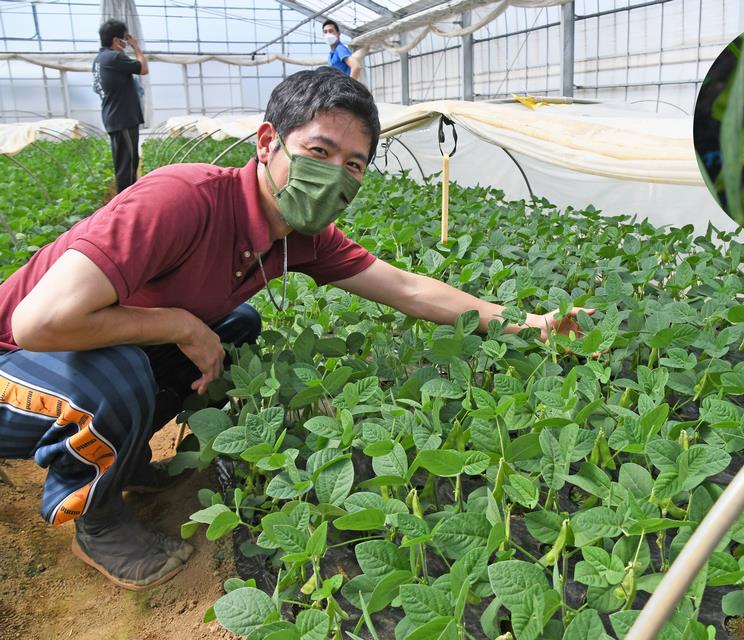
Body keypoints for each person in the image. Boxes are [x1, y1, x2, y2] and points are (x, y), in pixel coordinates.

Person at [0, 68, 590, 590]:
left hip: (66, 355)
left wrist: (529, 324)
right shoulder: (182, 199)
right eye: (319, 151)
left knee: (235, 326)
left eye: (353, 165)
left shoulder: (300, 237)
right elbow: (38, 323)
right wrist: (181, 323)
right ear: (267, 142)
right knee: (130, 368)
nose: (335, 176)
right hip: (13, 366)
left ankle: (120, 461)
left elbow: (409, 289)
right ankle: (95, 519)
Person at [93, 19, 149, 194]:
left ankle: (125, 203)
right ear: (117, 40)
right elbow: (143, 68)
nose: (126, 42)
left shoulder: (99, 60)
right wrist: (136, 47)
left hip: (115, 118)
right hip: (123, 119)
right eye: (125, 39)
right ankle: (125, 206)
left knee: (124, 163)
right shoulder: (114, 57)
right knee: (128, 166)